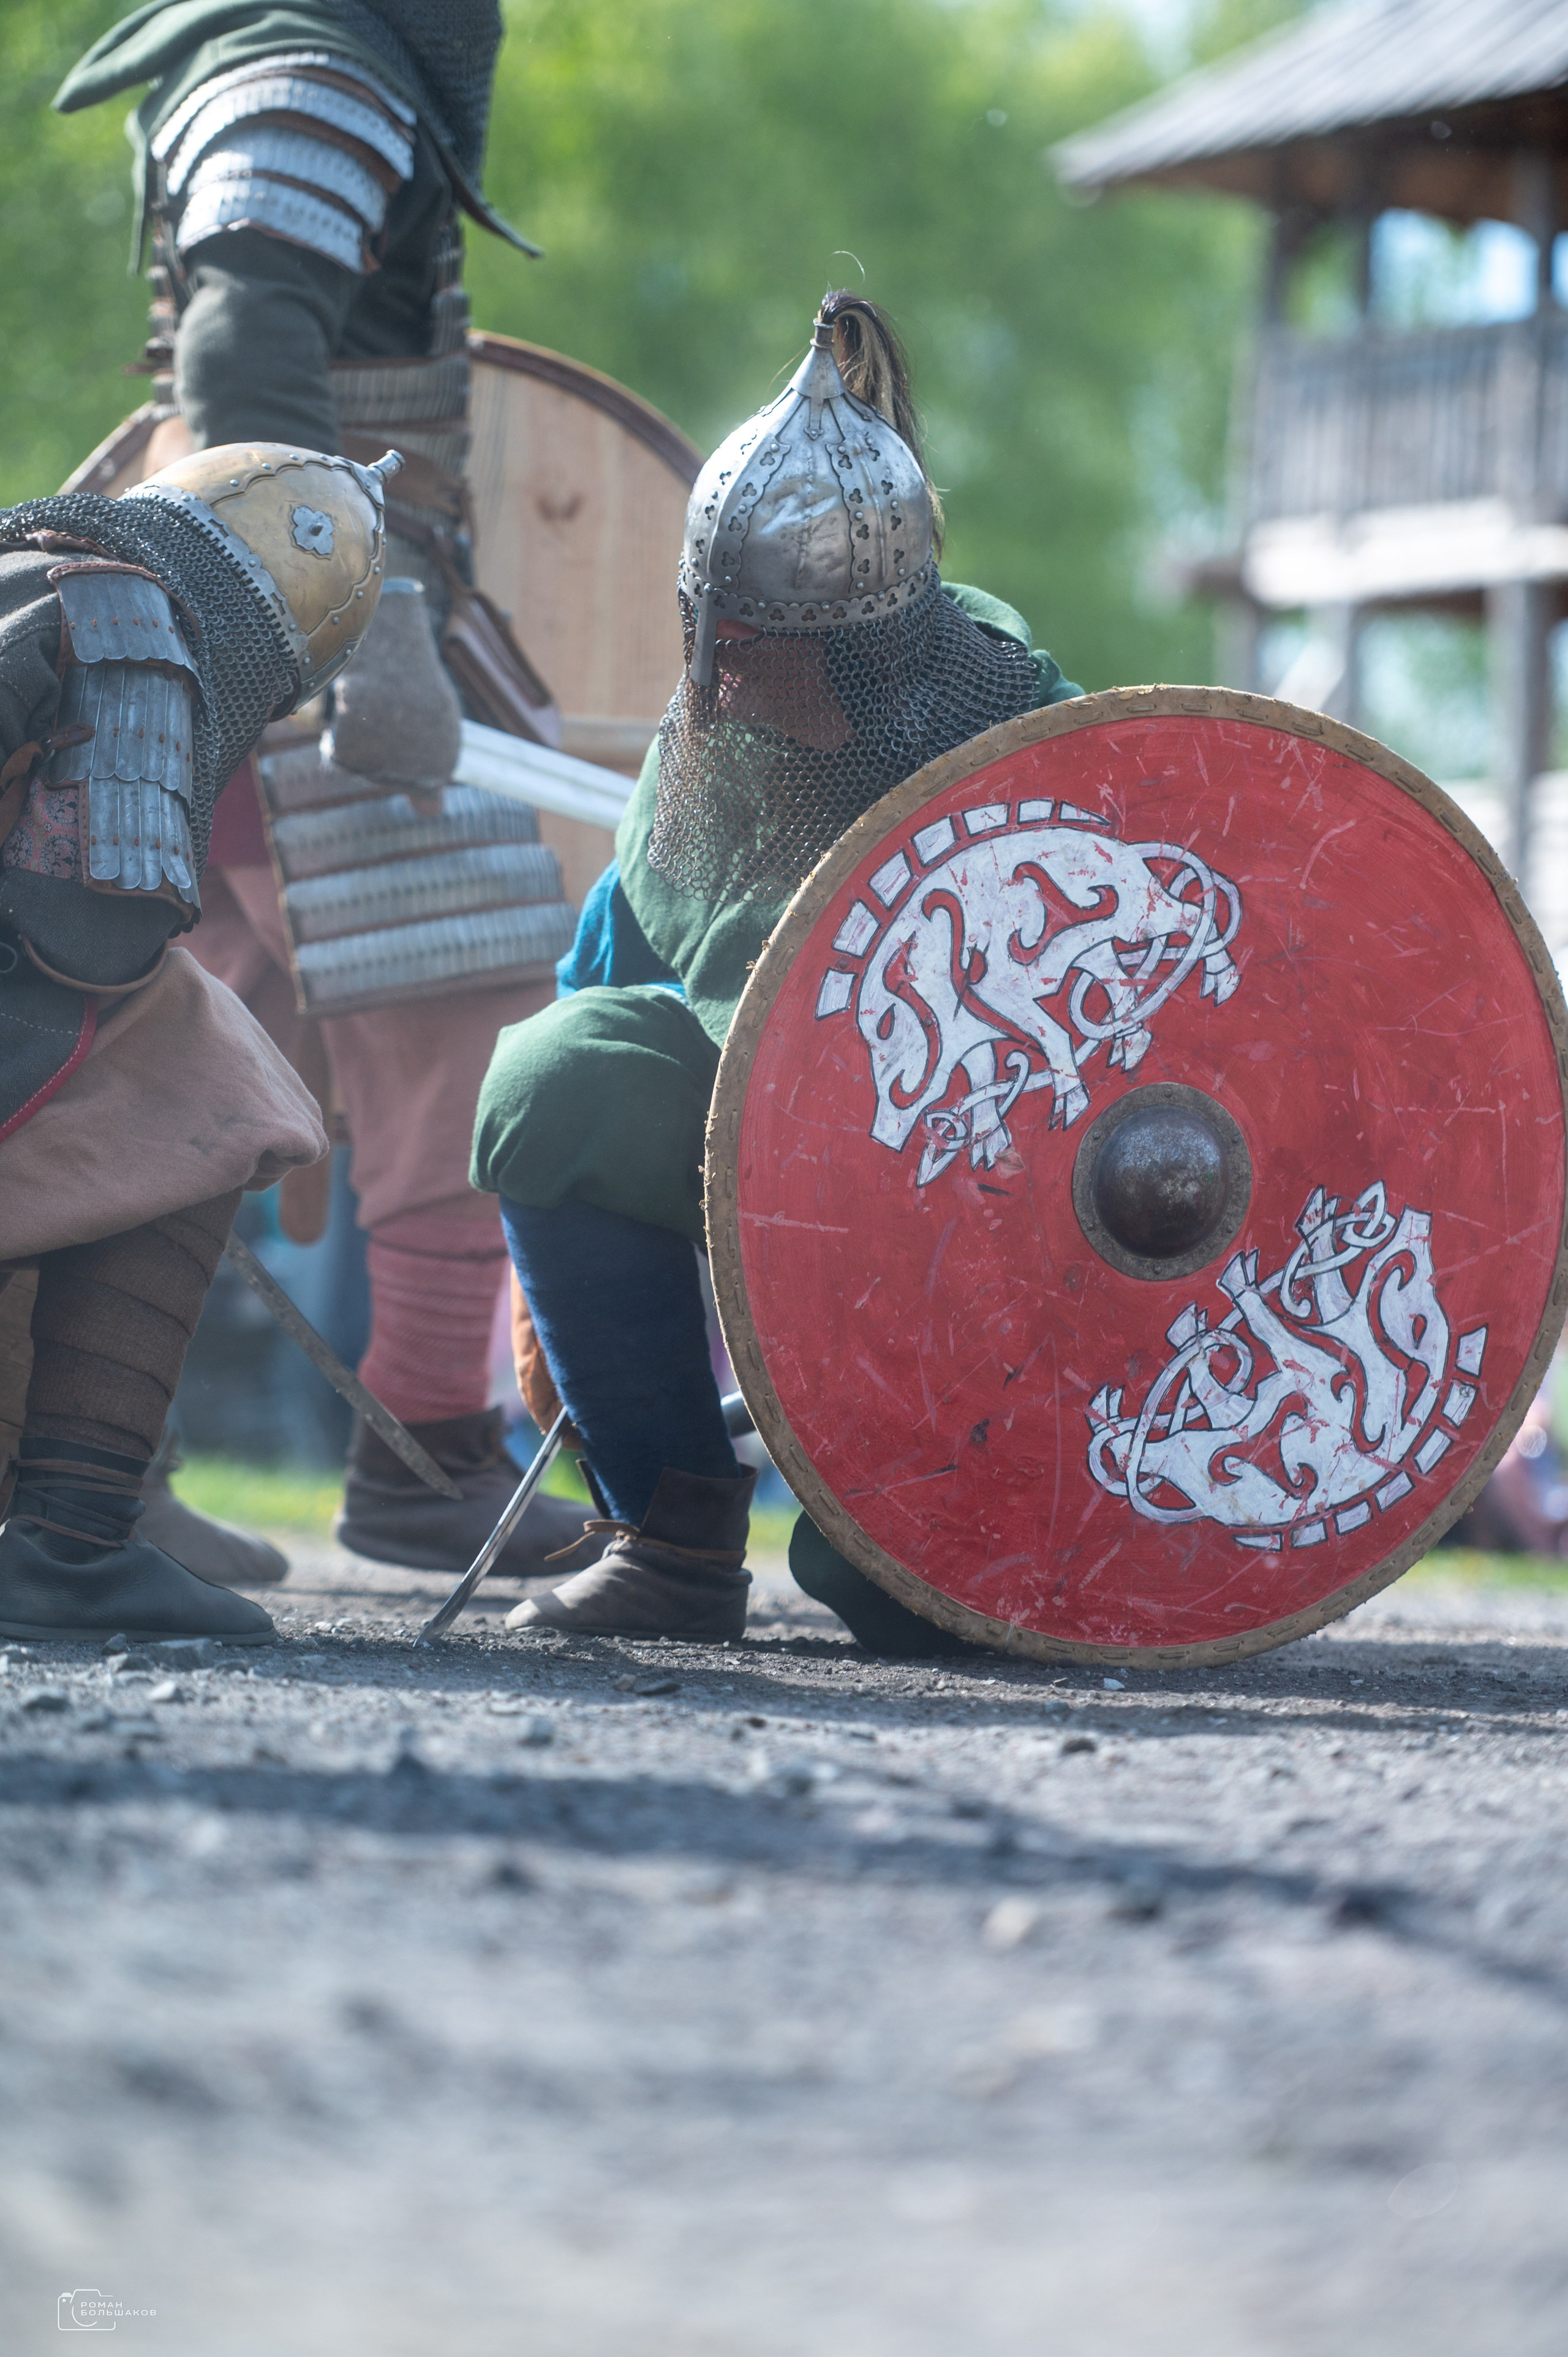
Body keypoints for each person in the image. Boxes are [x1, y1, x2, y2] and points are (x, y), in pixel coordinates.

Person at [54, 0, 585, 1586]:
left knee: (188, 1042)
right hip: (305, 631)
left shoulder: (309, 53)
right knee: (459, 1018)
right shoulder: (310, 71)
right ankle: (426, 1455)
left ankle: (98, 1473)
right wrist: (378, 621)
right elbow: (240, 347)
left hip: (268, 629)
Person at [471, 295, 1084, 1650]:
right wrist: (551, 1242)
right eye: (714, 635)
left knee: (894, 1591)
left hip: (977, 1190)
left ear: (873, 644)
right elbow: (599, 1002)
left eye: (756, 644)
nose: (724, 676)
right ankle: (672, 1540)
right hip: (757, 1145)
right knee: (549, 1075)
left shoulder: (1021, 736)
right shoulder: (711, 743)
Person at [0, 440, 399, 1646]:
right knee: (204, 1062)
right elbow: (92, 946)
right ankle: (73, 1540)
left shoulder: (23, 562)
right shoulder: (130, 636)